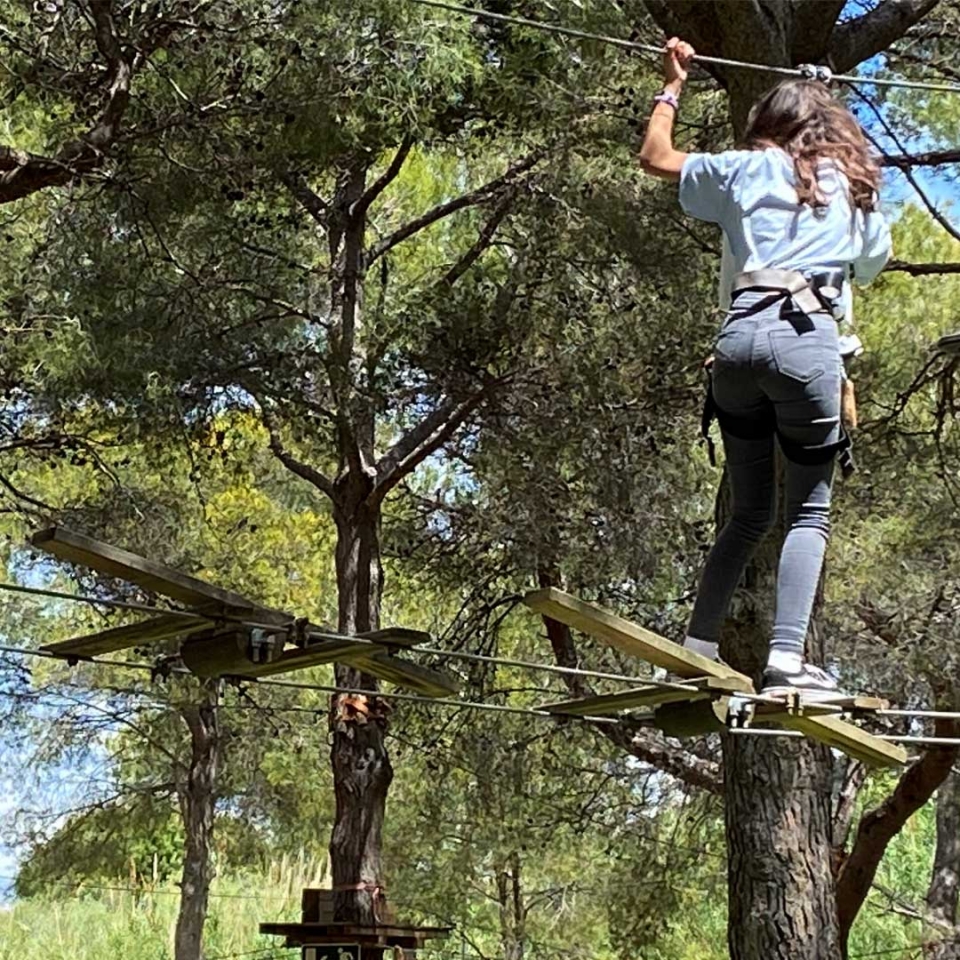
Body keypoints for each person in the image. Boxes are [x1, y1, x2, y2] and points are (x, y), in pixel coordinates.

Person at [638, 39, 892, 699]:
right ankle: (785, 663)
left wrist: (673, 83)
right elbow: (871, 267)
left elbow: (655, 158)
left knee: (748, 511)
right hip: (806, 344)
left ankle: (695, 644)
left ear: (767, 127)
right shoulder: (856, 185)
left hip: (736, 344)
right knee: (807, 510)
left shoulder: (745, 170)